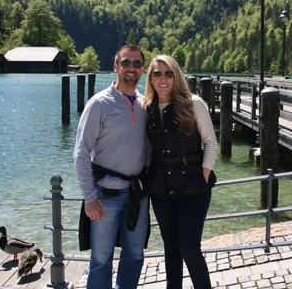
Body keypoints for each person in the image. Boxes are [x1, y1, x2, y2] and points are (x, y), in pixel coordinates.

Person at [74, 45, 149, 289]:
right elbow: (81, 154)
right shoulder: (99, 104)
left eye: (137, 64)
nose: (131, 69)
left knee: (135, 255)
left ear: (143, 69)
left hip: (137, 196)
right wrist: (89, 197)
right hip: (105, 196)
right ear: (115, 66)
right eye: (126, 63)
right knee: (100, 259)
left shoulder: (143, 104)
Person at [143, 55, 218, 289]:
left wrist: (203, 177)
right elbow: (147, 150)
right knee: (171, 249)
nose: (163, 79)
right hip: (161, 189)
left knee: (189, 248)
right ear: (151, 79)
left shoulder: (193, 103)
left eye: (168, 73)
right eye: (157, 73)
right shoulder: (148, 109)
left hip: (193, 187)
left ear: (177, 76)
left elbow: (211, 143)